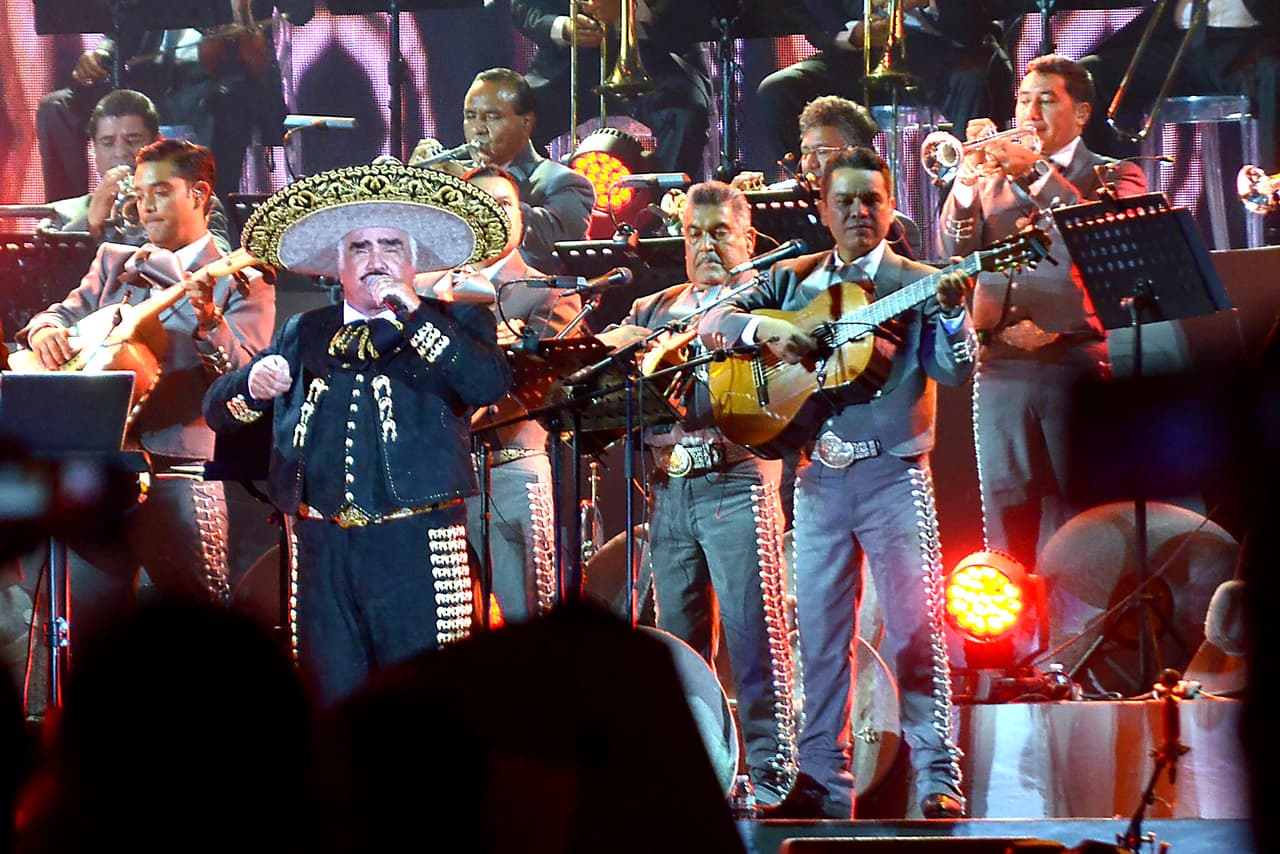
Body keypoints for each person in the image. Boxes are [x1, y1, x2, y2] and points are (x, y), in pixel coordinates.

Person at [700, 147, 975, 819]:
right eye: (845, 200)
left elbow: (954, 371)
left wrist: (952, 315)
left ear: (889, 207)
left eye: (872, 200)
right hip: (818, 473)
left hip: (894, 472)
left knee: (917, 632)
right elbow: (714, 324)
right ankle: (821, 782)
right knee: (818, 638)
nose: (858, 211)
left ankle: (938, 776)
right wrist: (771, 330)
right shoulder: (790, 279)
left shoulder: (919, 278)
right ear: (823, 209)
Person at [203, 159, 513, 703]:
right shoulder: (305, 331)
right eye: (360, 249)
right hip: (320, 550)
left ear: (413, 261)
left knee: (426, 706)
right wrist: (253, 385)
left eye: (391, 245)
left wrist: (414, 314)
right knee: (330, 707)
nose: (375, 261)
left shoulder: (456, 321)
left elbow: (486, 385)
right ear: (337, 266)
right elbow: (219, 413)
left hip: (414, 545)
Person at [596, 180, 797, 805]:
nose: (705, 245)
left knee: (753, 632)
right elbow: (606, 370)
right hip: (667, 489)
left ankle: (774, 775)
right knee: (678, 642)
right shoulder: (654, 306)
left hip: (736, 480)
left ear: (747, 238)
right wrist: (621, 349)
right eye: (693, 234)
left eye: (719, 233)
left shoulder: (767, 300)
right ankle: (688, 778)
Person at [16, 139, 275, 610]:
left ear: (198, 194)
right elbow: (59, 314)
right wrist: (45, 332)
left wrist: (210, 325)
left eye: (159, 190)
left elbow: (245, 382)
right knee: (84, 626)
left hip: (179, 474)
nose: (144, 205)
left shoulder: (245, 278)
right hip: (96, 473)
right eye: (138, 193)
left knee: (198, 625)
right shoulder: (115, 260)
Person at [939, 54, 1148, 574]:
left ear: (1081, 114)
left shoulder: (1115, 173)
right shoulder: (989, 181)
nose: (1030, 112)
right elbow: (952, 248)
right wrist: (965, 183)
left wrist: (1033, 172)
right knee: (1006, 519)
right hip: (999, 367)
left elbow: (1099, 242)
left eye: (1046, 100)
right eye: (1023, 99)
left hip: (1075, 363)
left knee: (1088, 515)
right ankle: (1015, 648)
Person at [417, 165, 583, 623]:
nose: (492, 213)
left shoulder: (545, 292)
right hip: (441, 480)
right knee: (447, 628)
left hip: (509, 472)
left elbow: (537, 385)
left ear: (522, 219)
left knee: (526, 621)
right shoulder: (424, 292)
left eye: (504, 204)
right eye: (480, 204)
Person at [36, 1, 313, 202]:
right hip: (145, 79)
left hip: (212, 85)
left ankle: (206, 217)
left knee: (226, 101)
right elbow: (122, 21)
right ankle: (66, 223)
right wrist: (101, 53)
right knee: (56, 109)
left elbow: (301, 12)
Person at [754, 0, 1014, 177]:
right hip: (862, 51)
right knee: (778, 91)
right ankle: (814, 204)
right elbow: (815, 12)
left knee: (976, 78)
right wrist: (855, 34)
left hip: (946, 47)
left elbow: (980, 13)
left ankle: (964, 200)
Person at [411, 68, 595, 276]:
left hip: (523, 302)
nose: (478, 129)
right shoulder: (458, 177)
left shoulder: (566, 182)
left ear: (526, 122)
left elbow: (552, 241)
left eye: (492, 117)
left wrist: (473, 191)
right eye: (471, 116)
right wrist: (415, 190)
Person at [510, 0, 714, 178]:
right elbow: (524, 6)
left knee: (686, 114)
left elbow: (694, 8)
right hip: (571, 58)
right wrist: (563, 27)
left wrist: (631, 7)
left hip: (656, 51)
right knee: (510, 115)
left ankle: (661, 210)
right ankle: (541, 201)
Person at [1081, 0, 1279, 171]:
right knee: (1091, 73)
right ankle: (1096, 182)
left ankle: (1269, 189)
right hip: (1178, 41)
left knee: (1274, 72)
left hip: (1244, 44)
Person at [735, 94, 925, 260]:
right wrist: (734, 205)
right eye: (806, 151)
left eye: (822, 151)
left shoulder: (895, 227)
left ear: (854, 153)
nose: (811, 163)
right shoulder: (778, 201)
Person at [37, 89, 232, 250]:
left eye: (133, 140)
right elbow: (55, 282)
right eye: (107, 142)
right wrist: (90, 227)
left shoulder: (195, 200)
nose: (121, 153)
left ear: (158, 144)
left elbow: (222, 268)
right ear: (94, 151)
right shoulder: (64, 213)